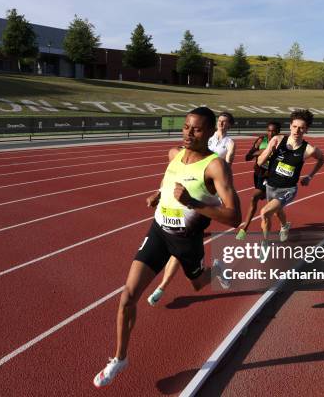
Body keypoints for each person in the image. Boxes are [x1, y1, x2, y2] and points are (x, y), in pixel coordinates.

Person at [93, 107, 241, 388]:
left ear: (210, 132)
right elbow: (169, 183)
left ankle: (216, 269)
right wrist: (157, 195)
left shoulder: (215, 166)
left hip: (187, 239)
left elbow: (234, 216)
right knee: (128, 296)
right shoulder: (173, 154)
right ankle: (119, 358)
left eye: (196, 129)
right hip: (159, 231)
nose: (188, 133)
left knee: (198, 283)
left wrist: (193, 204)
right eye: (186, 127)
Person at [146, 112, 237, 305]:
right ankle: (162, 287)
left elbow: (226, 164)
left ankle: (210, 272)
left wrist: (216, 181)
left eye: (224, 122)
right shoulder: (193, 141)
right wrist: (161, 193)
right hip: (185, 193)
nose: (222, 124)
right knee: (176, 245)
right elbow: (174, 173)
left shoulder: (228, 144)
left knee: (185, 259)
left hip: (207, 189)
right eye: (220, 121)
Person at [256, 109, 324, 247]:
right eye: (294, 126)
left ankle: (265, 243)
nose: (297, 130)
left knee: (265, 212)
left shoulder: (309, 149)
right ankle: (284, 226)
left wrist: (310, 176)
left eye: (301, 128)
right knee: (276, 212)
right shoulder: (277, 140)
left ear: (306, 130)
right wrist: (270, 150)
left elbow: (322, 159)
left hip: (288, 189)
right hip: (271, 185)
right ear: (290, 126)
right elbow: (259, 162)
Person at [235, 121, 281, 240]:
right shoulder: (261, 140)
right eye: (269, 130)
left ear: (278, 132)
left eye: (274, 131)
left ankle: (245, 228)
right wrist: (262, 152)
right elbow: (247, 157)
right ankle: (284, 225)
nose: (271, 133)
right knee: (274, 208)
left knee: (255, 199)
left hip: (271, 177)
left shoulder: (282, 144)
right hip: (258, 175)